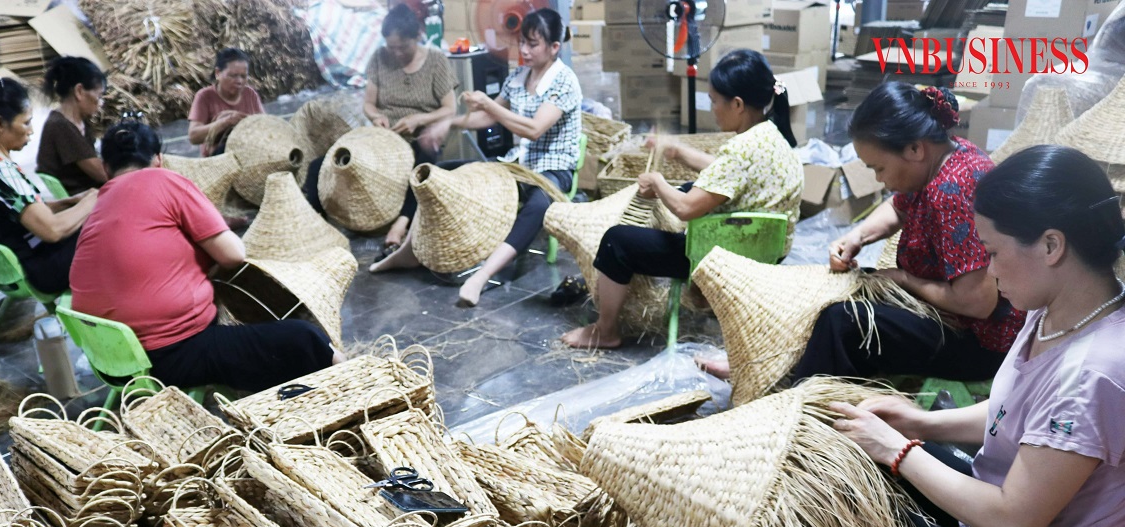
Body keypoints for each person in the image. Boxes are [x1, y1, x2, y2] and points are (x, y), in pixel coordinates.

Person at [830, 146, 1125, 527]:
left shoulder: (1097, 371)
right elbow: (1008, 412)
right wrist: (917, 421)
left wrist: (900, 451)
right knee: (850, 467)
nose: (987, 269)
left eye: (992, 252)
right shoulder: (1056, 307)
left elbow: (1013, 521)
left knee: (839, 517)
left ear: (1051, 245)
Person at [69, 120, 342, 392]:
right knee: (304, 338)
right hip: (169, 356)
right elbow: (233, 255)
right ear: (159, 160)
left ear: (106, 169)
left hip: (111, 363)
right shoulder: (165, 180)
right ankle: (354, 392)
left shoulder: (97, 207)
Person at [560, 49, 803, 350]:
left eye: (715, 101)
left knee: (616, 242)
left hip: (723, 255)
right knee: (691, 186)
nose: (713, 109)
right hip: (768, 251)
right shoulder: (770, 136)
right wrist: (678, 151)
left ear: (737, 104)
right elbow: (728, 173)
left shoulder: (741, 149)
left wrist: (659, 182)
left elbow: (687, 210)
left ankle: (605, 330)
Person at [785, 82, 1024, 385]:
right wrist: (856, 237)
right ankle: (792, 366)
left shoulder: (954, 191)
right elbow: (898, 208)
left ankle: (806, 410)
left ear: (914, 149)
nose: (880, 180)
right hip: (952, 313)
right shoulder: (944, 157)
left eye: (879, 168)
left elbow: (977, 302)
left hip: (980, 342)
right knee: (847, 287)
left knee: (843, 322)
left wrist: (905, 280)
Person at [370, 8, 582, 308]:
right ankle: (408, 250)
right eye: (522, 42)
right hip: (517, 164)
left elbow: (534, 130)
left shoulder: (564, 81)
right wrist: (449, 122)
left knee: (537, 206)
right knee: (440, 173)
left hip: (554, 169)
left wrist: (487, 105)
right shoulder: (520, 76)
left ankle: (481, 277)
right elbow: (484, 118)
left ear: (554, 47)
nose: (524, 50)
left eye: (533, 44)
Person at [0, 74, 98, 295]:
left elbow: (15, 213)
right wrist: (95, 198)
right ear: (0, 124)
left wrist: (69, 202)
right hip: (42, 269)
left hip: (13, 270)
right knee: (111, 225)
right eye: (26, 122)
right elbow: (52, 230)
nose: (30, 130)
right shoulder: (1, 172)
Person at [364, 2, 458, 254]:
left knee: (421, 166)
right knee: (326, 164)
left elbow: (450, 109)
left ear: (417, 36)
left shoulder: (436, 61)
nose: (396, 53)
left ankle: (401, 224)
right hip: (386, 139)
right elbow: (369, 104)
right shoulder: (379, 58)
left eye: (402, 47)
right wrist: (376, 119)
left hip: (421, 137)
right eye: (391, 47)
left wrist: (419, 119)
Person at [37, 56, 108, 195]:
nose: (100, 103)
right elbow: (104, 175)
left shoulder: (78, 120)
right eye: (99, 96)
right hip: (82, 200)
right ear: (79, 91)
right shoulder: (60, 126)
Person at [188, 48, 264, 157]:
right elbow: (193, 136)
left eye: (243, 76)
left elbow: (265, 126)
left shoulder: (250, 94)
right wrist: (225, 123)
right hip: (217, 160)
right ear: (218, 73)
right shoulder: (205, 97)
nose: (239, 81)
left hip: (249, 156)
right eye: (233, 76)